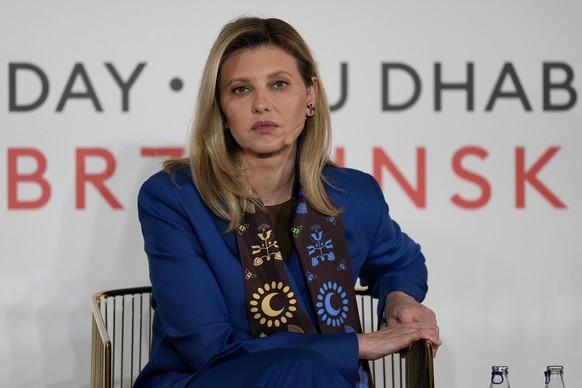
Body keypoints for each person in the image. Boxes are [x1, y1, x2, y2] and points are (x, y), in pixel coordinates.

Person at [134, 15, 441, 388]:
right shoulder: (174, 197)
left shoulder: (352, 194)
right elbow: (208, 348)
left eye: (279, 84)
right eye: (241, 90)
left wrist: (398, 298)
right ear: (220, 107)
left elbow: (402, 262)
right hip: (205, 379)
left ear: (310, 94)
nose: (262, 105)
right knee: (303, 372)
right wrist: (355, 346)